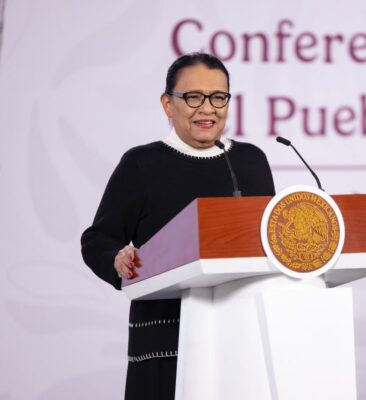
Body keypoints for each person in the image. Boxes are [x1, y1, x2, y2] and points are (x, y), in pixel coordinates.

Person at [81, 53, 275, 399]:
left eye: (218, 97)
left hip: (240, 338)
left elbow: (268, 244)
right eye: (194, 97)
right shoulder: (142, 163)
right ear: (168, 104)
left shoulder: (249, 161)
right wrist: (117, 260)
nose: (208, 108)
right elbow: (98, 240)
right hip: (165, 342)